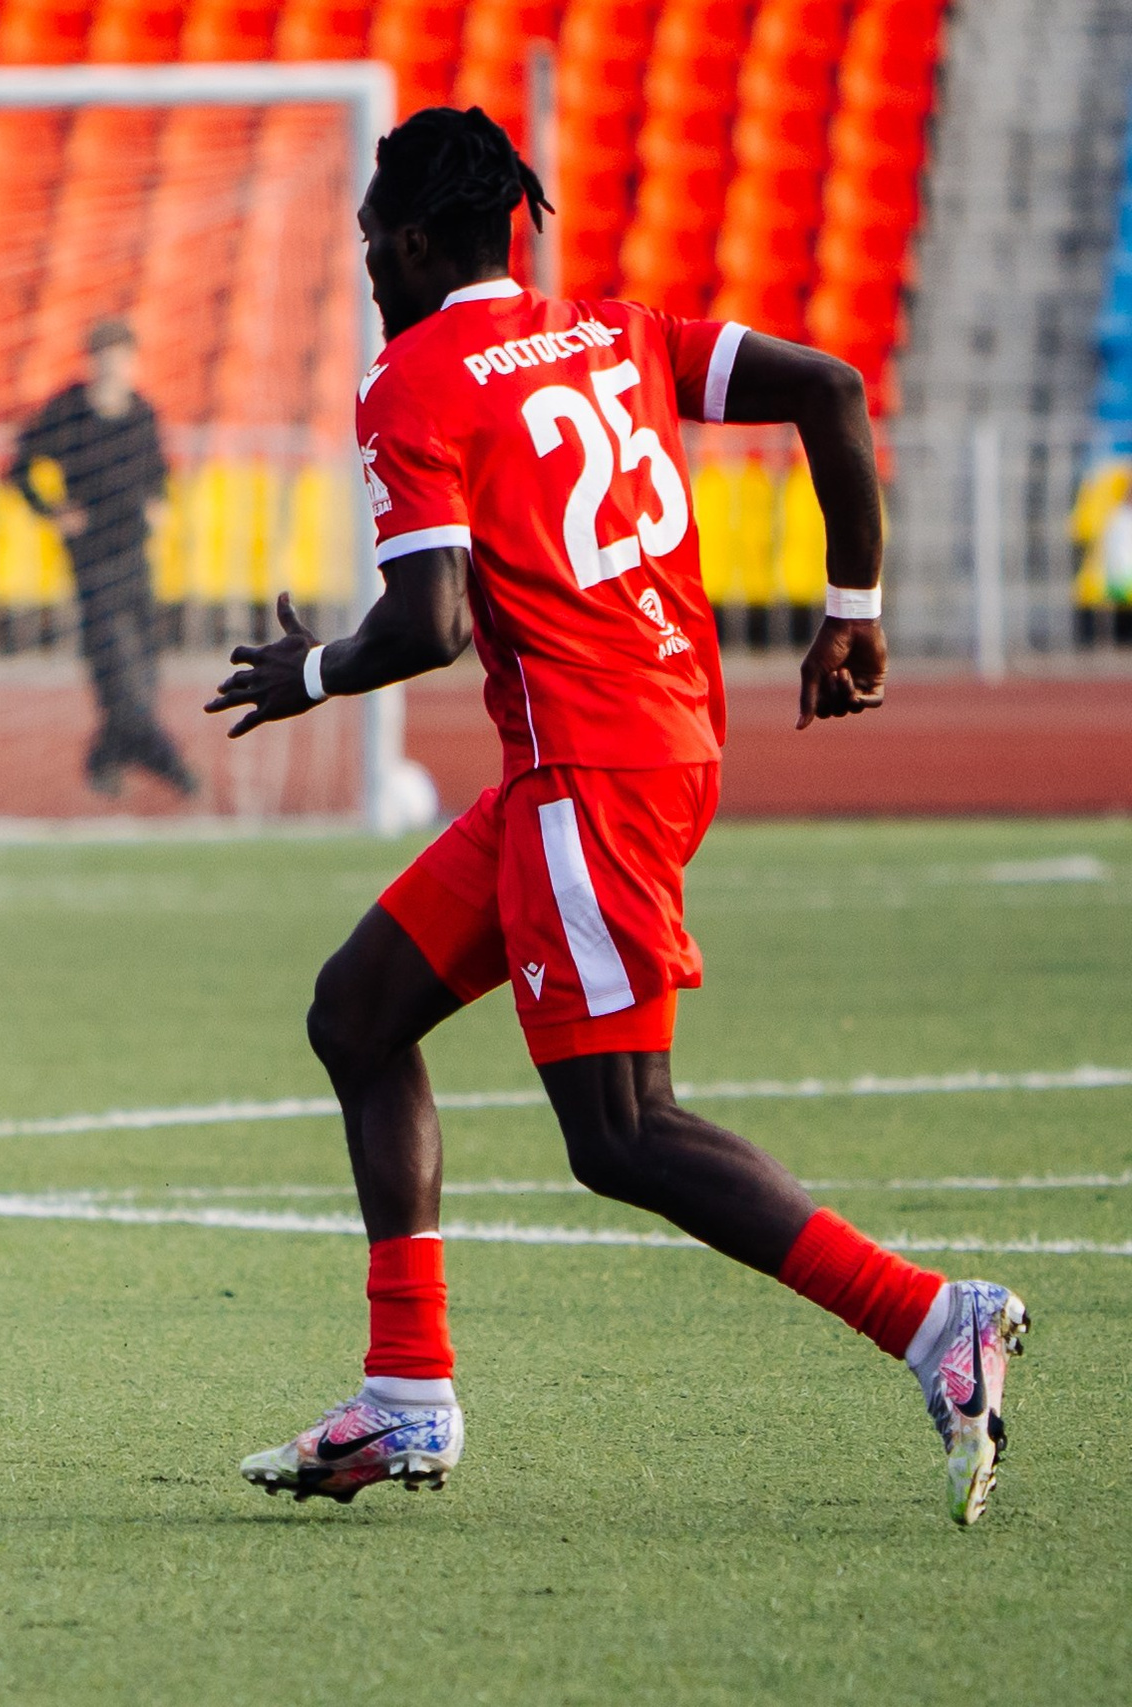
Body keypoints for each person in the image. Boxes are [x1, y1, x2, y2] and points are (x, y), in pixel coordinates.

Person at [205, 109, 1027, 1525]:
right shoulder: (617, 330)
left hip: (589, 774)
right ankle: (406, 1390)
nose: (368, 269)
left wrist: (312, 672)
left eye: (371, 244)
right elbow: (832, 386)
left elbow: (430, 621)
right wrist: (852, 610)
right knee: (358, 1012)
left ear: (414, 244)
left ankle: (929, 1318)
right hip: (648, 744)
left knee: (622, 1129)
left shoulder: (413, 378)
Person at [7, 319, 198, 798]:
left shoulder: (142, 413)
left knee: (146, 659)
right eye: (105, 359)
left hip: (134, 549)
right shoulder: (67, 412)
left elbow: (158, 473)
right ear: (92, 363)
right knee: (113, 658)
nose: (114, 369)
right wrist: (53, 511)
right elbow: (18, 467)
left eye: (122, 359)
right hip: (92, 556)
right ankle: (164, 758)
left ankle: (106, 757)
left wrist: (157, 503)